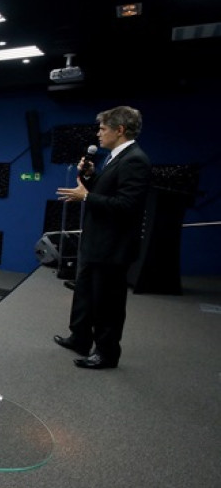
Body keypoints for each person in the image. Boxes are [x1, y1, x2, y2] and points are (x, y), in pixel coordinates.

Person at [54, 106, 151, 369]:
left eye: (103, 129)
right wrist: (90, 177)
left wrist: (85, 196)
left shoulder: (135, 160)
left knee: (108, 302)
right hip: (97, 242)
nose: (99, 134)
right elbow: (108, 191)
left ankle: (107, 353)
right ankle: (80, 337)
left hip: (113, 247)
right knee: (85, 293)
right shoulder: (115, 158)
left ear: (120, 130)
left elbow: (127, 205)